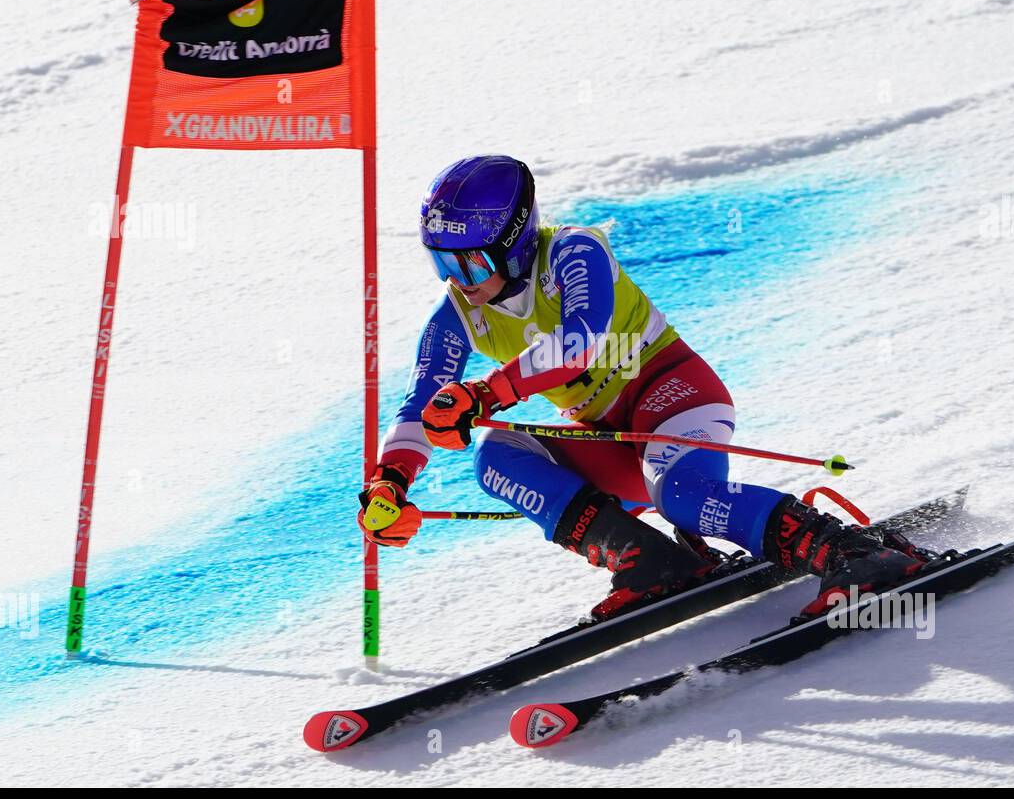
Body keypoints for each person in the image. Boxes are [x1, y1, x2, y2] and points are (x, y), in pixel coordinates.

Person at [358, 155, 933, 620]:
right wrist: (390, 483)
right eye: (443, 266)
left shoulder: (574, 251)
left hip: (674, 395)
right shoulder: (457, 313)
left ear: (513, 242)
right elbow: (421, 402)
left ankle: (854, 553)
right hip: (613, 437)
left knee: (679, 494)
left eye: (472, 266)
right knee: (497, 457)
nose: (459, 283)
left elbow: (580, 340)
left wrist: (485, 395)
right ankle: (650, 562)